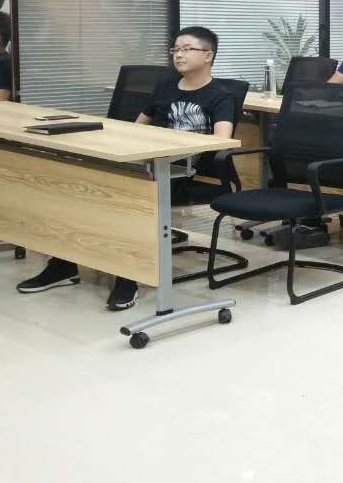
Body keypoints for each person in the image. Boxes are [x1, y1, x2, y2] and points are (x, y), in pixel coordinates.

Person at [17, 26, 239, 310]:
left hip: (179, 172)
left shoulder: (220, 95)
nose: (179, 55)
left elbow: (221, 140)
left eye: (187, 49)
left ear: (208, 55)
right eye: (175, 49)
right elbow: (136, 128)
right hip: (143, 163)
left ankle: (127, 277)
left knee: (123, 199)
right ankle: (63, 265)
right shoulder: (165, 87)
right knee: (76, 187)